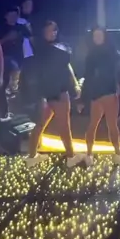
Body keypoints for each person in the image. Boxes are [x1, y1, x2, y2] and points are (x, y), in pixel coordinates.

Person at [25, 20, 83, 167]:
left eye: (54, 30)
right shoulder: (42, 49)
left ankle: (32, 156)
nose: (52, 33)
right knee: (63, 125)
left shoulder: (59, 47)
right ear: (43, 32)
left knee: (41, 124)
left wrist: (75, 83)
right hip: (55, 91)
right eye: (49, 30)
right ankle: (71, 156)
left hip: (52, 91)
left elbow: (67, 65)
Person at [80, 27, 120, 165]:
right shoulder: (111, 52)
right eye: (95, 36)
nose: (97, 38)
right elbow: (118, 69)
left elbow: (88, 77)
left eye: (99, 35)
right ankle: (117, 153)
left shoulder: (90, 54)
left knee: (93, 124)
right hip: (108, 92)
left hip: (96, 93)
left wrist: (83, 97)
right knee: (112, 124)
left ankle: (89, 154)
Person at [0, 7, 31, 96]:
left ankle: (13, 94)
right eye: (11, 15)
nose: (13, 17)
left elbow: (31, 36)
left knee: (20, 76)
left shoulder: (21, 27)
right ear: (6, 16)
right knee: (13, 71)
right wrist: (7, 38)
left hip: (20, 57)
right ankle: (10, 90)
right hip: (6, 57)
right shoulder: (1, 28)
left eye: (15, 15)